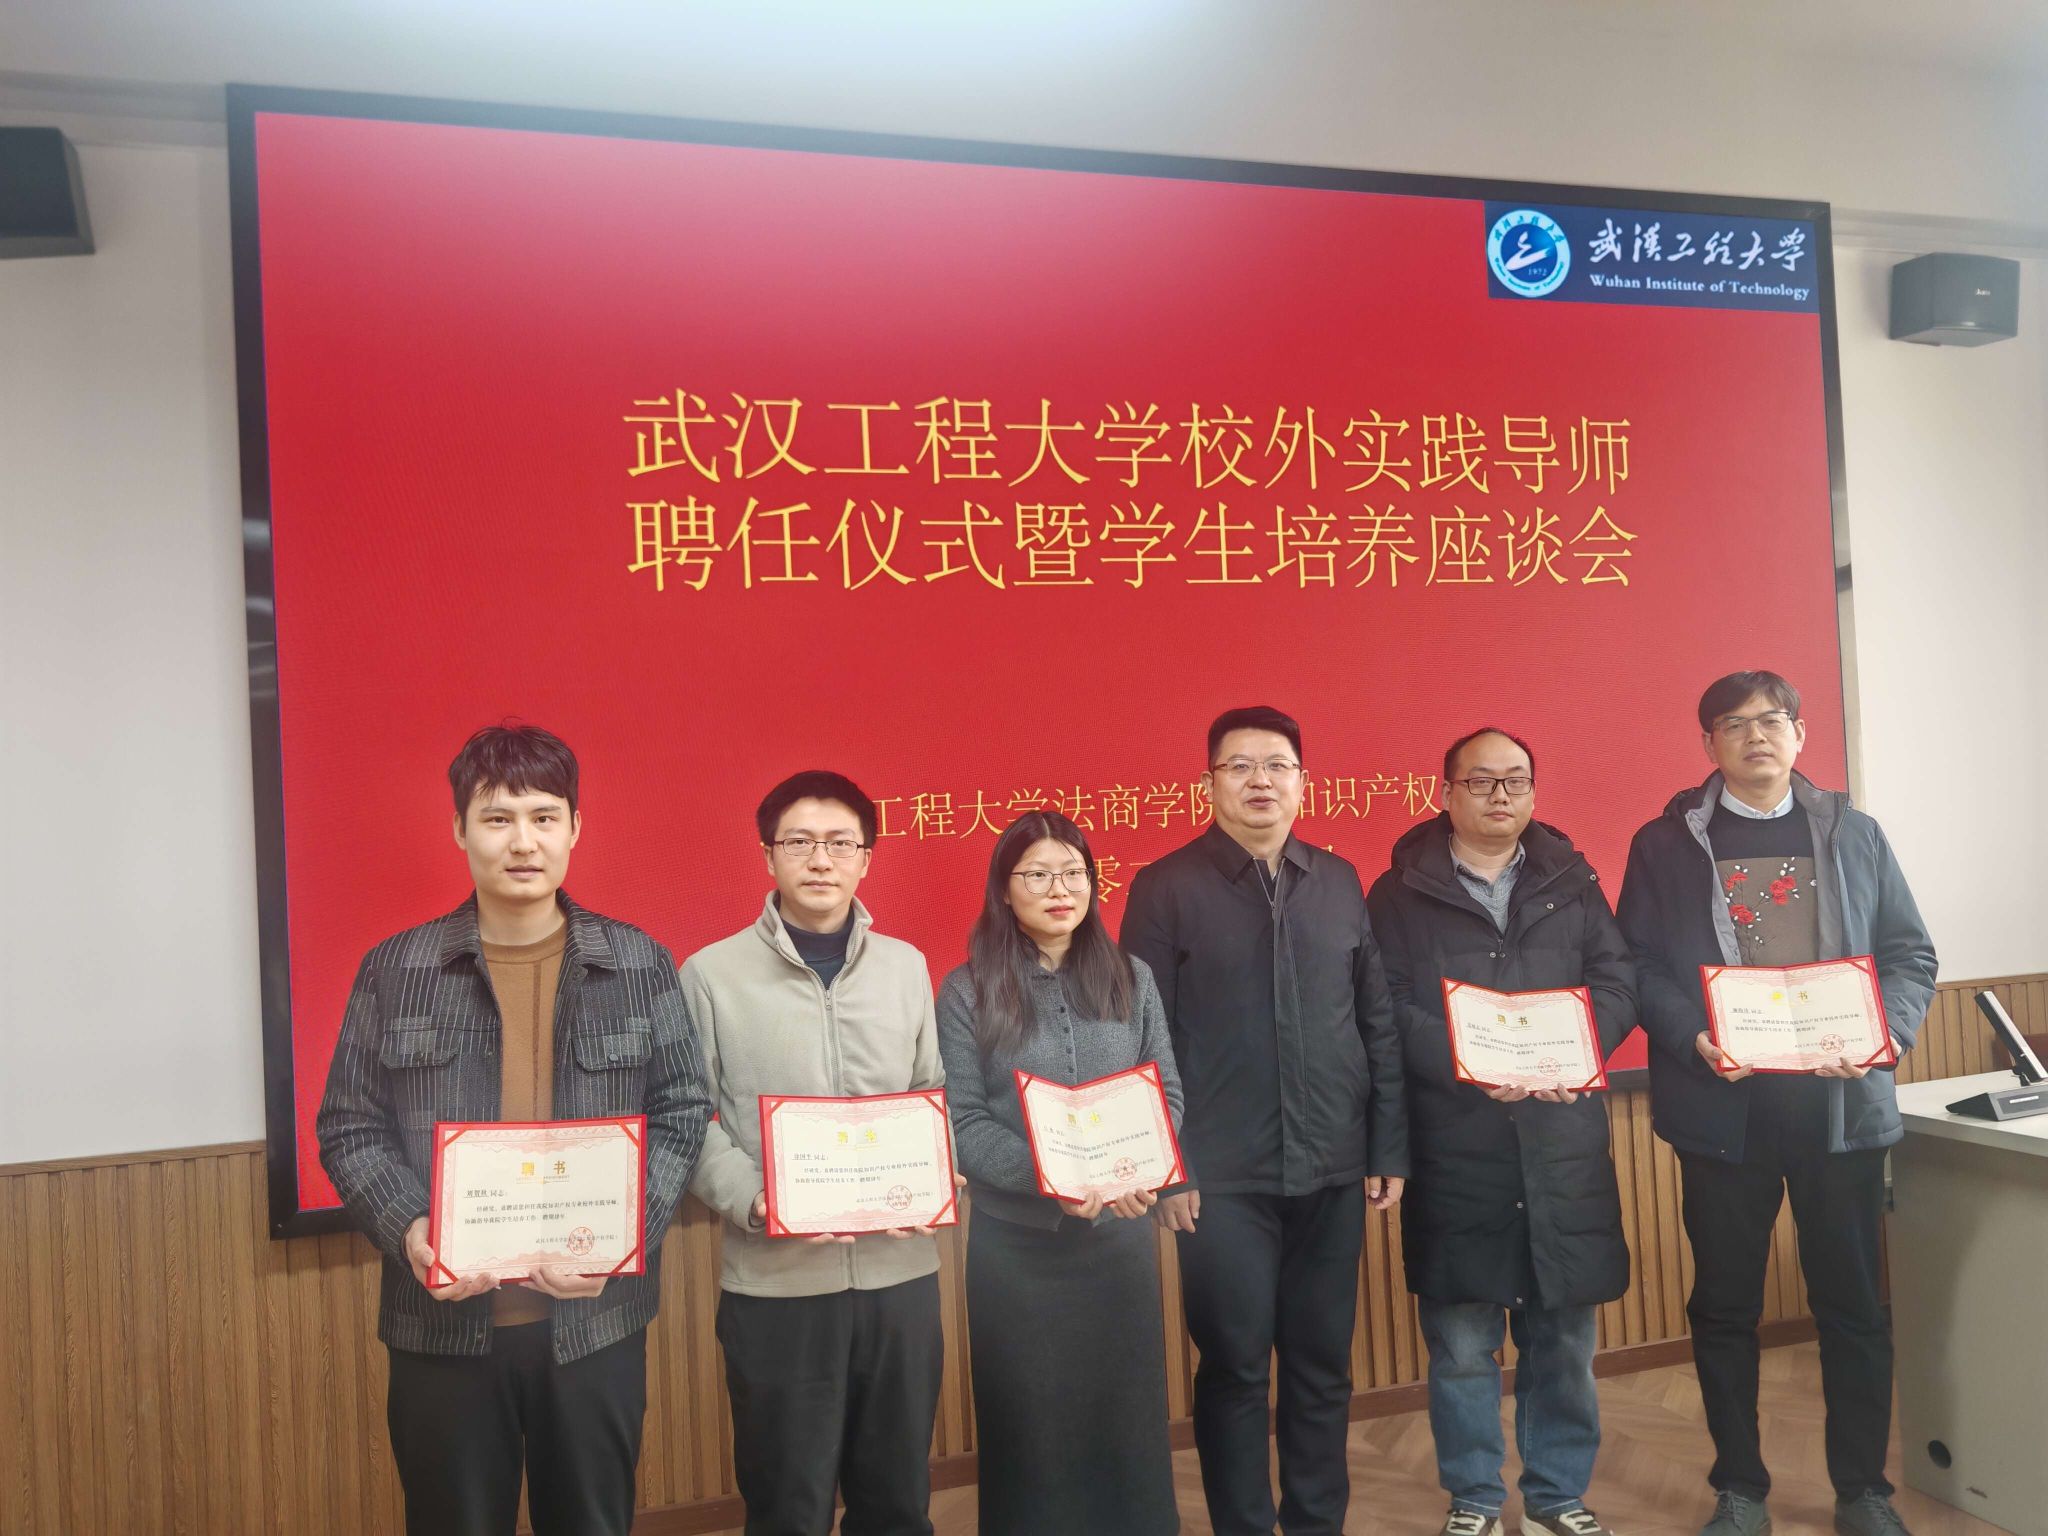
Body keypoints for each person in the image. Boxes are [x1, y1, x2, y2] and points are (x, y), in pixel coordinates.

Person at [316, 723, 711, 1536]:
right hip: (442, 1331)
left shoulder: (638, 963)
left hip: (595, 1325)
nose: (523, 841)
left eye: (543, 817)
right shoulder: (397, 969)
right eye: (497, 818)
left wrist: (622, 1236)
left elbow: (682, 1108)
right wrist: (411, 1226)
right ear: (460, 829)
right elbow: (349, 1125)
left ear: (575, 828)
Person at [1618, 671, 1937, 1536]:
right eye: (1734, 723)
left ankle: (1863, 1490)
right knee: (1724, 1307)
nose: (1755, 736)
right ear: (1709, 743)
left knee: (1853, 1307)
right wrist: (1693, 1036)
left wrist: (1883, 1036)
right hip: (1722, 1110)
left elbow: (1910, 956)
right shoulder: (1665, 844)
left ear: (1799, 733)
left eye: (1771, 720)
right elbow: (1637, 964)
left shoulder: (1856, 833)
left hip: (1841, 1110)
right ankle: (1740, 1489)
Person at [1121, 704, 1409, 1536]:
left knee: (1322, 1367)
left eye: (1277, 765)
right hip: (1221, 1180)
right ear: (1209, 783)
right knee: (1237, 1368)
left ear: (1302, 782)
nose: (1260, 781)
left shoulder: (1339, 881)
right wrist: (1169, 1169)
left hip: (1332, 1164)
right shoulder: (1165, 888)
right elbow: (1140, 1040)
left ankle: (1317, 1523)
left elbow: (1375, 1020)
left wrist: (1386, 1144)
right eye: (1239, 765)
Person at [1366, 727, 1636, 1536]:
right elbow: (1385, 1004)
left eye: (1515, 780)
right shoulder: (1398, 893)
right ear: (1445, 792)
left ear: (1533, 791)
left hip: (1560, 1140)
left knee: (1563, 1341)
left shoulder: (1572, 881)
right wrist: (1469, 1059)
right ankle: (1475, 1498)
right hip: (1456, 1142)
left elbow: (1617, 982)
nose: (1500, 795)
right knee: (1460, 1345)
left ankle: (1556, 1495)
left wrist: (1576, 1050)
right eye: (1481, 781)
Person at [682, 770, 949, 1536]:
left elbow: (930, 1089)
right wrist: (754, 1198)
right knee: (786, 1508)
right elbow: (687, 1117)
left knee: (897, 1503)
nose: (821, 859)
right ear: (768, 855)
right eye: (799, 842)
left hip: (901, 1279)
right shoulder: (710, 974)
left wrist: (931, 1174)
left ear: (866, 858)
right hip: (777, 1285)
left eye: (840, 843)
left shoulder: (904, 967)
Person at [935, 811, 1184, 1536]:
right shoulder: (967, 990)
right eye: (1038, 875)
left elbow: (1165, 1092)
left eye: (1073, 873)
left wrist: (1140, 1167)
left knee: (1126, 1420)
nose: (1059, 889)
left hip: (1119, 1243)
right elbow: (962, 1122)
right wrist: (1054, 1178)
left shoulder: (1131, 977)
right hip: (1017, 1253)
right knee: (1030, 1427)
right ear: (1003, 889)